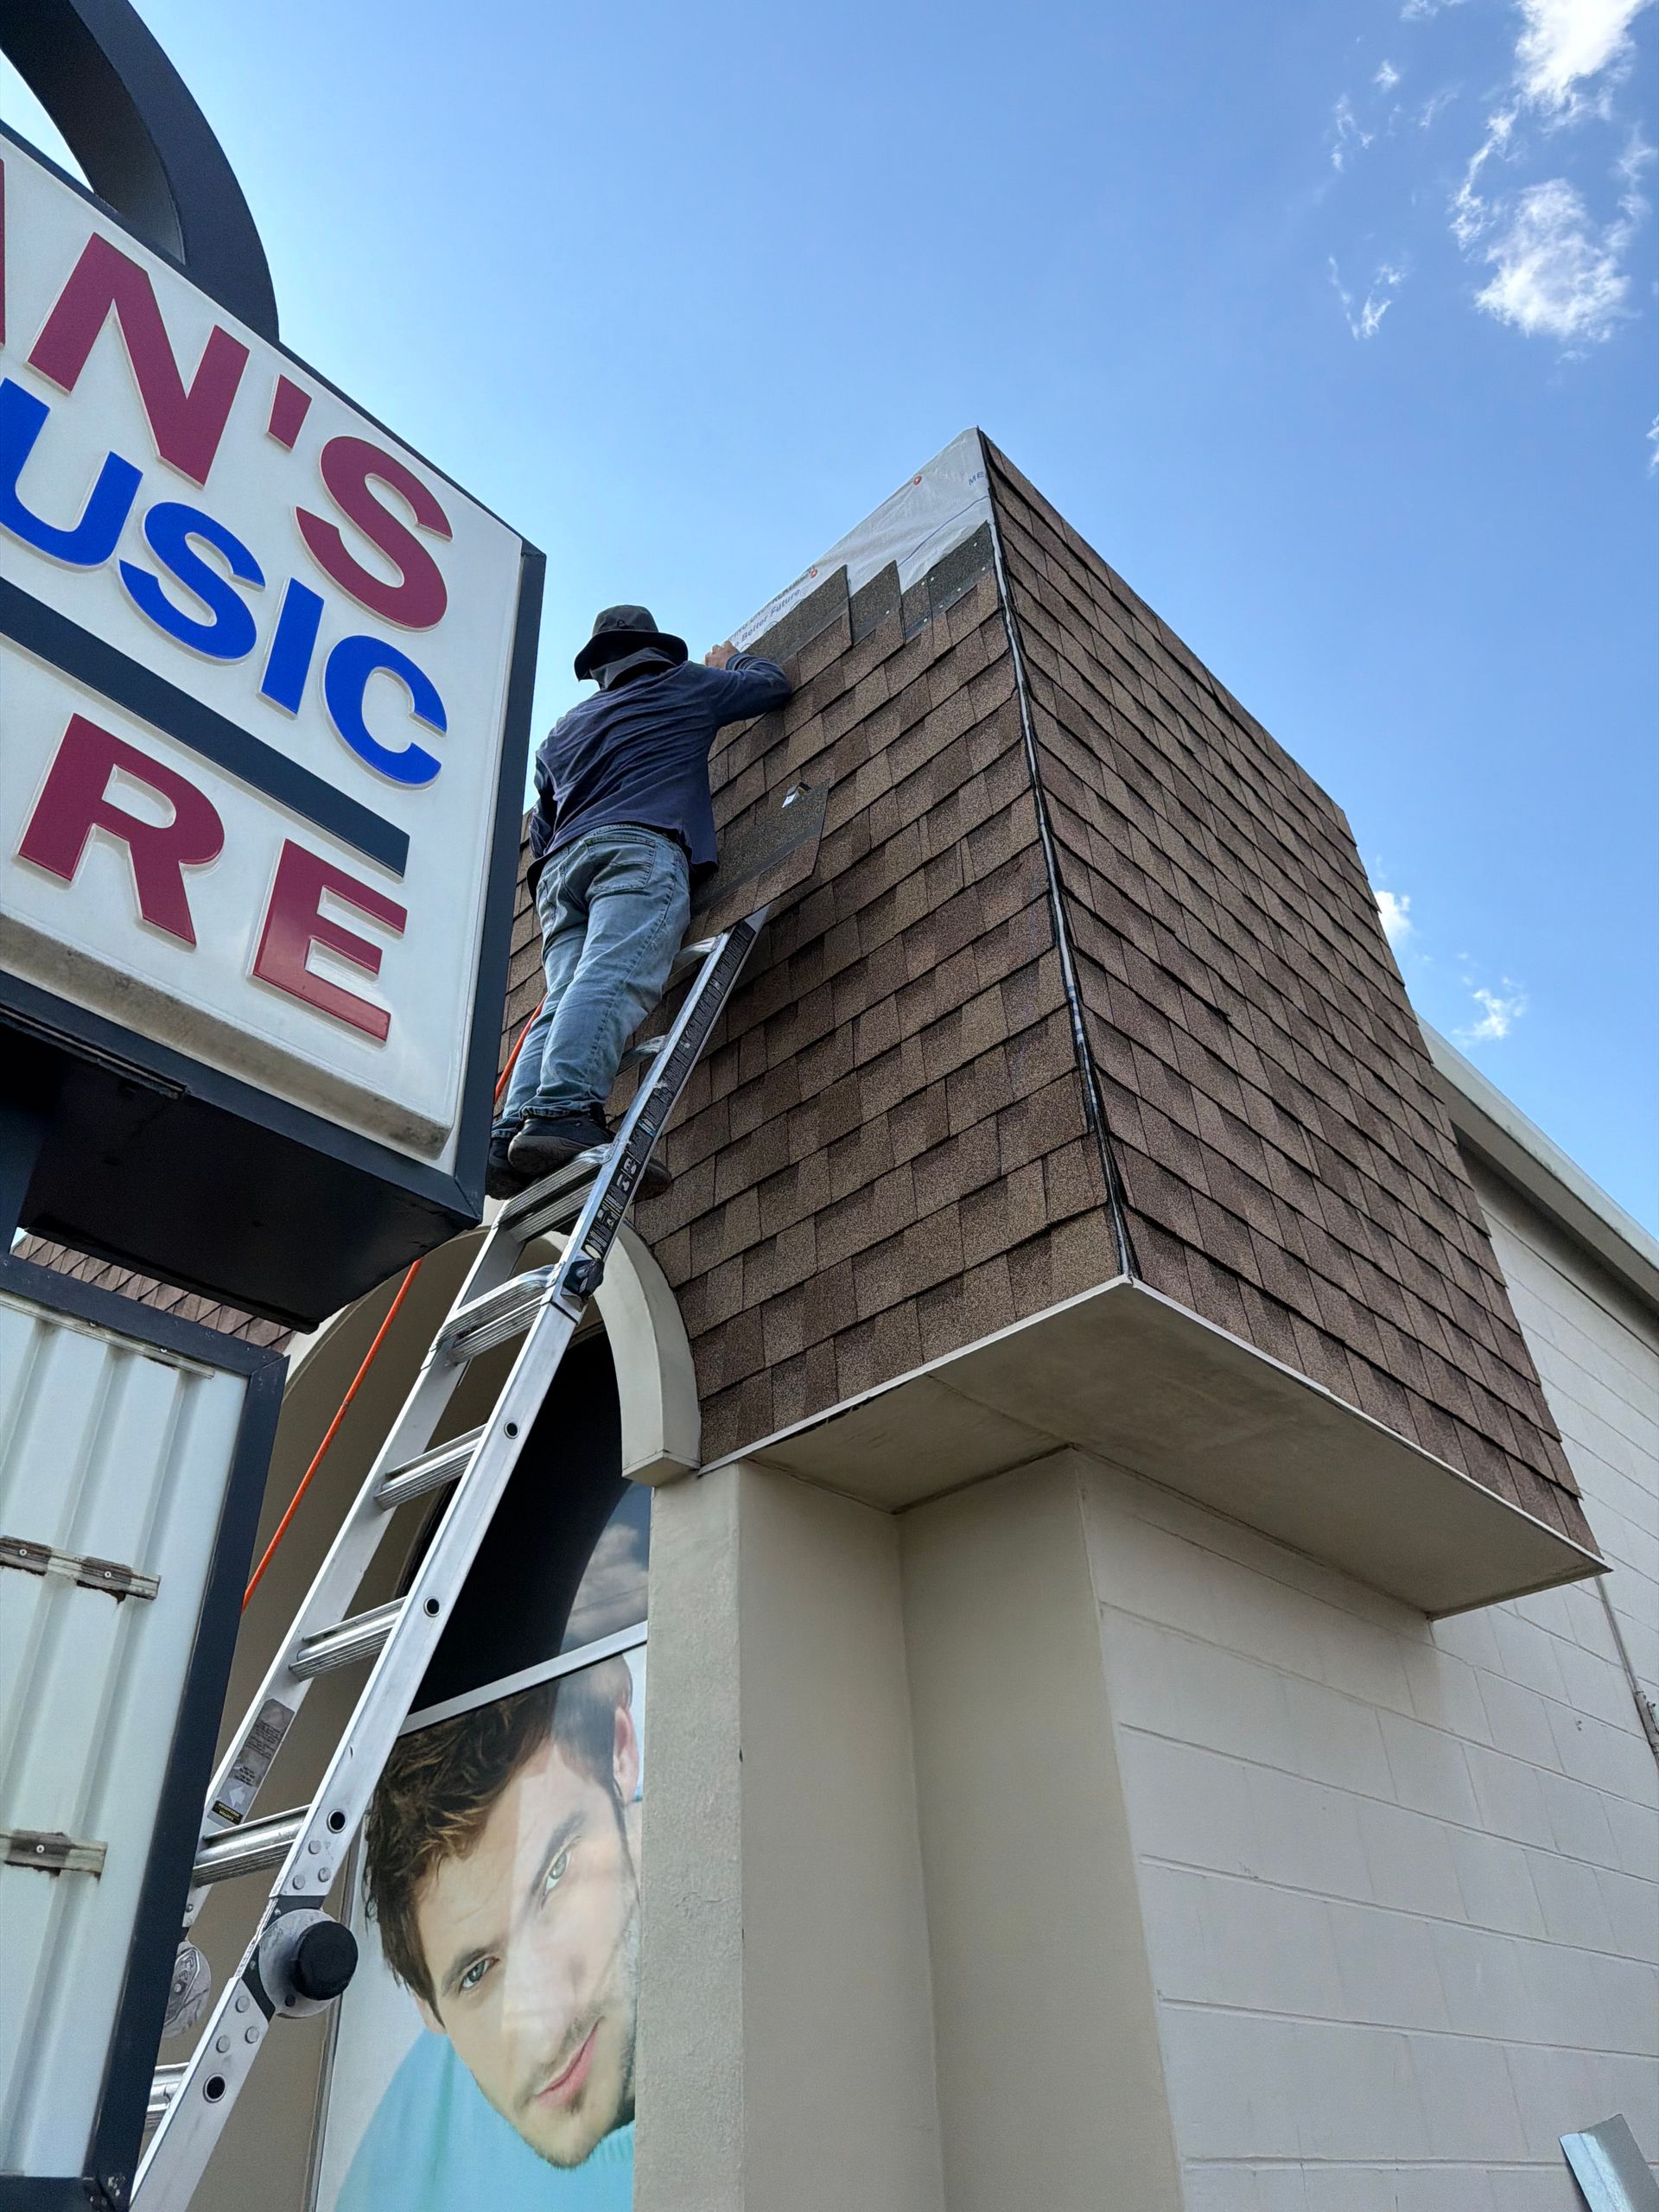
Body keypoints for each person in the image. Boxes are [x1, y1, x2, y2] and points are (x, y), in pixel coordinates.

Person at [490, 605, 792, 1198]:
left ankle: (509, 1136)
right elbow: (771, 686)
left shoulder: (561, 733)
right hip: (637, 846)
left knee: (564, 994)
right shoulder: (683, 684)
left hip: (559, 876)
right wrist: (732, 660)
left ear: (600, 667)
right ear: (653, 648)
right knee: (609, 975)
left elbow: (544, 831)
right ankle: (563, 1111)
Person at [336, 1660, 641, 2210]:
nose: (548, 2032)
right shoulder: (393, 2187)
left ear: (620, 1754)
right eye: (477, 1973)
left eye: (556, 1876)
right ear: (427, 2008)